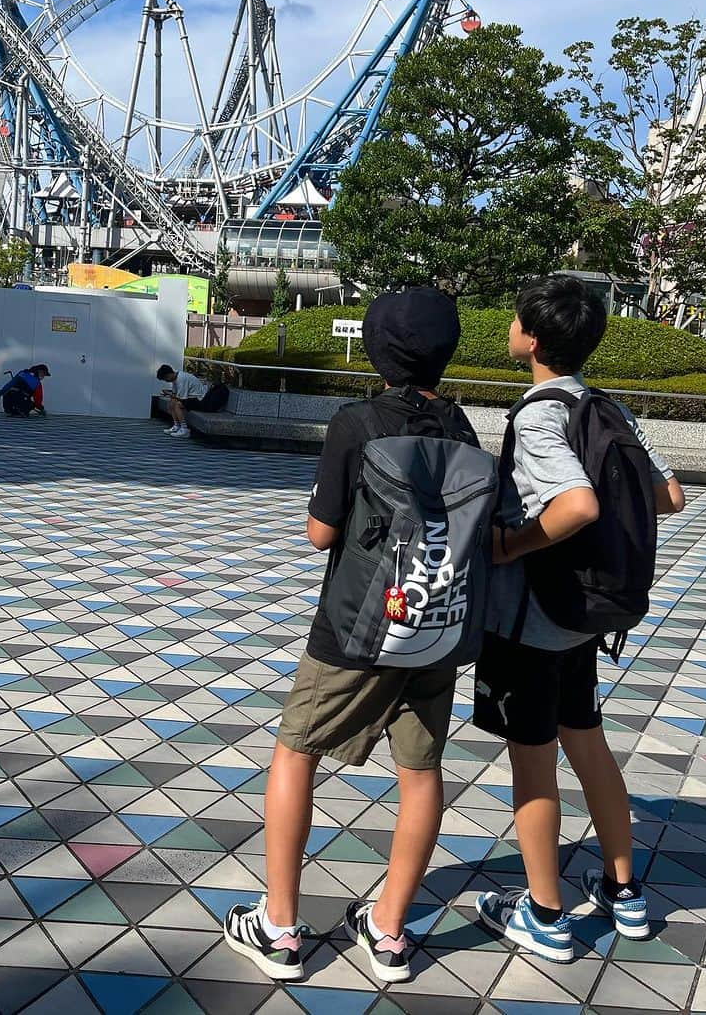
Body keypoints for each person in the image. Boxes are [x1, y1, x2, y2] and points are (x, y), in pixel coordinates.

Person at [223, 288, 478, 984]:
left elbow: (320, 533)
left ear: (377, 350)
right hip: (434, 625)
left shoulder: (356, 423)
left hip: (357, 627)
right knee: (421, 773)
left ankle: (279, 928)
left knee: (295, 752)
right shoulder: (462, 428)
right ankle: (390, 932)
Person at [473, 276, 686, 963]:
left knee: (532, 762)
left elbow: (577, 505)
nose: (509, 326)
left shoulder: (538, 413)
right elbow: (671, 496)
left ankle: (546, 915)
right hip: (583, 617)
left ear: (532, 340)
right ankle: (624, 895)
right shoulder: (608, 407)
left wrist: (514, 542)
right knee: (587, 741)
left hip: (534, 615)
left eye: (514, 319)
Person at [156, 363, 229, 438]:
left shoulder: (181, 379)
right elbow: (175, 395)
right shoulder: (175, 379)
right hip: (194, 398)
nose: (166, 381)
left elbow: (181, 398)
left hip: (201, 400)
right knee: (172, 402)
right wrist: (170, 395)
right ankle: (176, 425)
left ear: (169, 374)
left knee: (177, 404)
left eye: (165, 379)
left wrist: (168, 394)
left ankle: (184, 429)